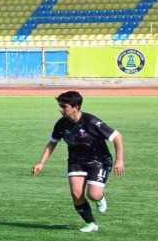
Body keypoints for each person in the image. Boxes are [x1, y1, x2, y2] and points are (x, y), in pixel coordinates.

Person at [32, 91, 124, 233]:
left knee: (93, 195)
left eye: (64, 106)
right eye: (60, 106)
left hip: (99, 160)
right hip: (76, 161)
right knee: (76, 194)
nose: (60, 109)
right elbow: (53, 142)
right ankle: (90, 223)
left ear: (75, 107)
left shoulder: (91, 121)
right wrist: (41, 163)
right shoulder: (61, 124)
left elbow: (117, 136)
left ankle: (99, 197)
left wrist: (119, 160)